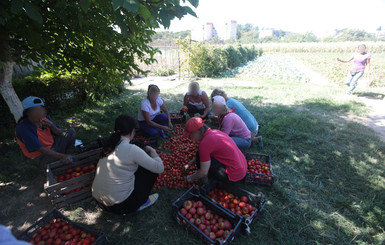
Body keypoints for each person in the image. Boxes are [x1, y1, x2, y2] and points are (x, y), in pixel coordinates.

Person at [92, 114, 164, 215]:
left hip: (99, 202)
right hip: (120, 207)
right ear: (132, 131)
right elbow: (159, 168)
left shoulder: (109, 145)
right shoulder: (131, 149)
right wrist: (153, 151)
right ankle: (142, 202)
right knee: (151, 170)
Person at [182, 117, 247, 184]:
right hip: (242, 171)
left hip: (233, 177)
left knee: (200, 155)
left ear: (197, 132)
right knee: (200, 154)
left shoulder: (205, 143)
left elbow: (203, 172)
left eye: (190, 135)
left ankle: (206, 181)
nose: (189, 138)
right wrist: (189, 165)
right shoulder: (215, 132)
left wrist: (190, 178)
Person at [15, 96, 76, 167]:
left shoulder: (45, 118)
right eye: (38, 110)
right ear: (29, 113)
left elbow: (60, 133)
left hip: (52, 147)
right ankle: (63, 158)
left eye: (42, 108)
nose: (43, 111)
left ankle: (67, 156)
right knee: (60, 161)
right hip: (41, 156)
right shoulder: (23, 127)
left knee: (70, 132)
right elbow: (39, 148)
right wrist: (61, 156)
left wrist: (52, 126)